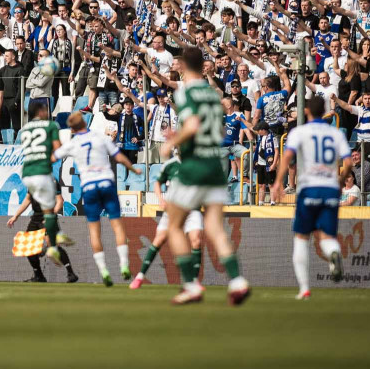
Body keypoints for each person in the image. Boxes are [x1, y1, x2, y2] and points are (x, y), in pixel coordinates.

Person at [160, 47, 250, 306]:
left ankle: (190, 285)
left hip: (195, 163)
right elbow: (219, 128)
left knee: (174, 226)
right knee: (214, 227)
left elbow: (193, 125)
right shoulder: (214, 95)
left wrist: (171, 142)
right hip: (215, 162)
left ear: (183, 64)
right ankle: (237, 280)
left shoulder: (186, 91)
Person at [272, 97, 351, 300]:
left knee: (301, 237)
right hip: (330, 188)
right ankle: (334, 253)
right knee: (327, 236)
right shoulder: (335, 133)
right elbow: (349, 162)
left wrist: (278, 183)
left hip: (308, 188)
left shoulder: (299, 132)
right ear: (325, 111)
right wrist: (341, 182)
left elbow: (287, 158)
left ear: (306, 111)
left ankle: (305, 289)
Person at [55, 111, 140, 286]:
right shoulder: (100, 137)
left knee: (94, 231)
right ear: (85, 123)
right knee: (117, 226)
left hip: (89, 187)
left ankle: (103, 271)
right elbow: (119, 157)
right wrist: (134, 169)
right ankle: (124, 264)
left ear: (72, 128)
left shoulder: (72, 144)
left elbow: (52, 157)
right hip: (107, 183)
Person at [129, 151, 204, 290]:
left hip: (192, 209)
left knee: (197, 240)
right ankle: (139, 277)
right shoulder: (170, 165)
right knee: (159, 240)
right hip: (173, 210)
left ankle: (193, 281)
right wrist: (161, 199)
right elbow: (157, 183)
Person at [18, 100, 74, 267]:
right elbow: (58, 149)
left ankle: (55, 237)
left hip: (27, 173)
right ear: (41, 111)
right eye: (45, 109)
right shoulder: (50, 126)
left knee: (45, 208)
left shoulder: (24, 130)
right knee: (49, 209)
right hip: (42, 173)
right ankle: (54, 240)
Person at [7, 175, 78, 283]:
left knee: (53, 245)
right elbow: (27, 199)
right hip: (36, 218)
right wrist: (15, 216)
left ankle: (71, 273)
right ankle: (39, 276)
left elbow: (60, 201)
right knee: (28, 247)